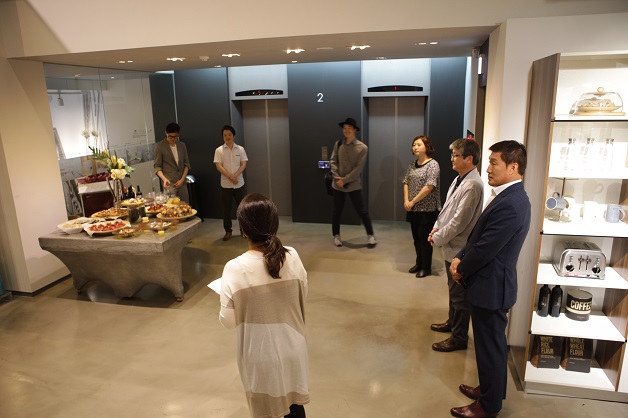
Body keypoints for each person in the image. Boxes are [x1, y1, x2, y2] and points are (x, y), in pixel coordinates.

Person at [449, 140, 531, 418]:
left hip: (492, 287)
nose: (488, 168)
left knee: (491, 348)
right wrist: (461, 256)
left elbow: (485, 248)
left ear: (513, 166)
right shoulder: (508, 196)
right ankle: (489, 390)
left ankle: (488, 405)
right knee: (489, 347)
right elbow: (479, 237)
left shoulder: (512, 203)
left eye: (494, 162)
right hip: (489, 283)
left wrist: (461, 266)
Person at [218, 193, 309, 418]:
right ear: (274, 224)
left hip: (260, 357)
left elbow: (228, 321)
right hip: (294, 349)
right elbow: (302, 296)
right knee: (295, 408)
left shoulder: (234, 268)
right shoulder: (293, 256)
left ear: (243, 230)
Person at [428, 138, 483, 352]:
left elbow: (459, 222)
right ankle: (452, 323)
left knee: (460, 297)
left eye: (456, 155)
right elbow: (446, 212)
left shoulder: (473, 185)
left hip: (460, 248)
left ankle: (458, 338)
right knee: (453, 291)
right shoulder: (460, 179)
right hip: (450, 244)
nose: (451, 158)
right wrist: (435, 228)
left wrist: (437, 237)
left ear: (469, 158)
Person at [330, 117, 376, 248]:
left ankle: (370, 235)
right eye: (344, 128)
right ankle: (336, 236)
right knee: (337, 211)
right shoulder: (338, 144)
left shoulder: (362, 147)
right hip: (337, 184)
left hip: (353, 184)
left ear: (355, 130)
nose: (346, 130)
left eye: (349, 128)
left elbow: (358, 169)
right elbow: (333, 161)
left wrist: (344, 180)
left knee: (362, 211)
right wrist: (337, 178)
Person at [403, 135, 441, 277]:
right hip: (413, 209)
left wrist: (413, 201)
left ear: (427, 147)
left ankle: (426, 267)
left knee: (424, 239)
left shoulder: (433, 165)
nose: (415, 147)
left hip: (427, 209)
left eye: (419, 144)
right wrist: (406, 200)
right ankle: (419, 263)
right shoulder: (412, 164)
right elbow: (406, 182)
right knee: (416, 239)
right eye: (414, 145)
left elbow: (429, 186)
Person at [214, 125, 248, 241]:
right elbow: (218, 166)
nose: (227, 137)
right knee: (226, 209)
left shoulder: (240, 149)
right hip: (226, 185)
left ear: (233, 135)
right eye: (225, 135)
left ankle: (243, 230)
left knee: (242, 209)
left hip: (239, 183)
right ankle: (228, 231)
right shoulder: (219, 150)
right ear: (222, 137)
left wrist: (235, 176)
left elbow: (243, 164)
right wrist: (230, 176)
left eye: (229, 134)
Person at [154, 122, 190, 203]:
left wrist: (182, 179)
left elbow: (187, 164)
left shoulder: (182, 145)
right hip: (169, 183)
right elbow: (157, 167)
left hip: (182, 183)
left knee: (185, 206)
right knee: (171, 207)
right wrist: (164, 179)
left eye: (175, 137)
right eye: (170, 136)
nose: (173, 139)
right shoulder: (160, 146)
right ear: (166, 133)